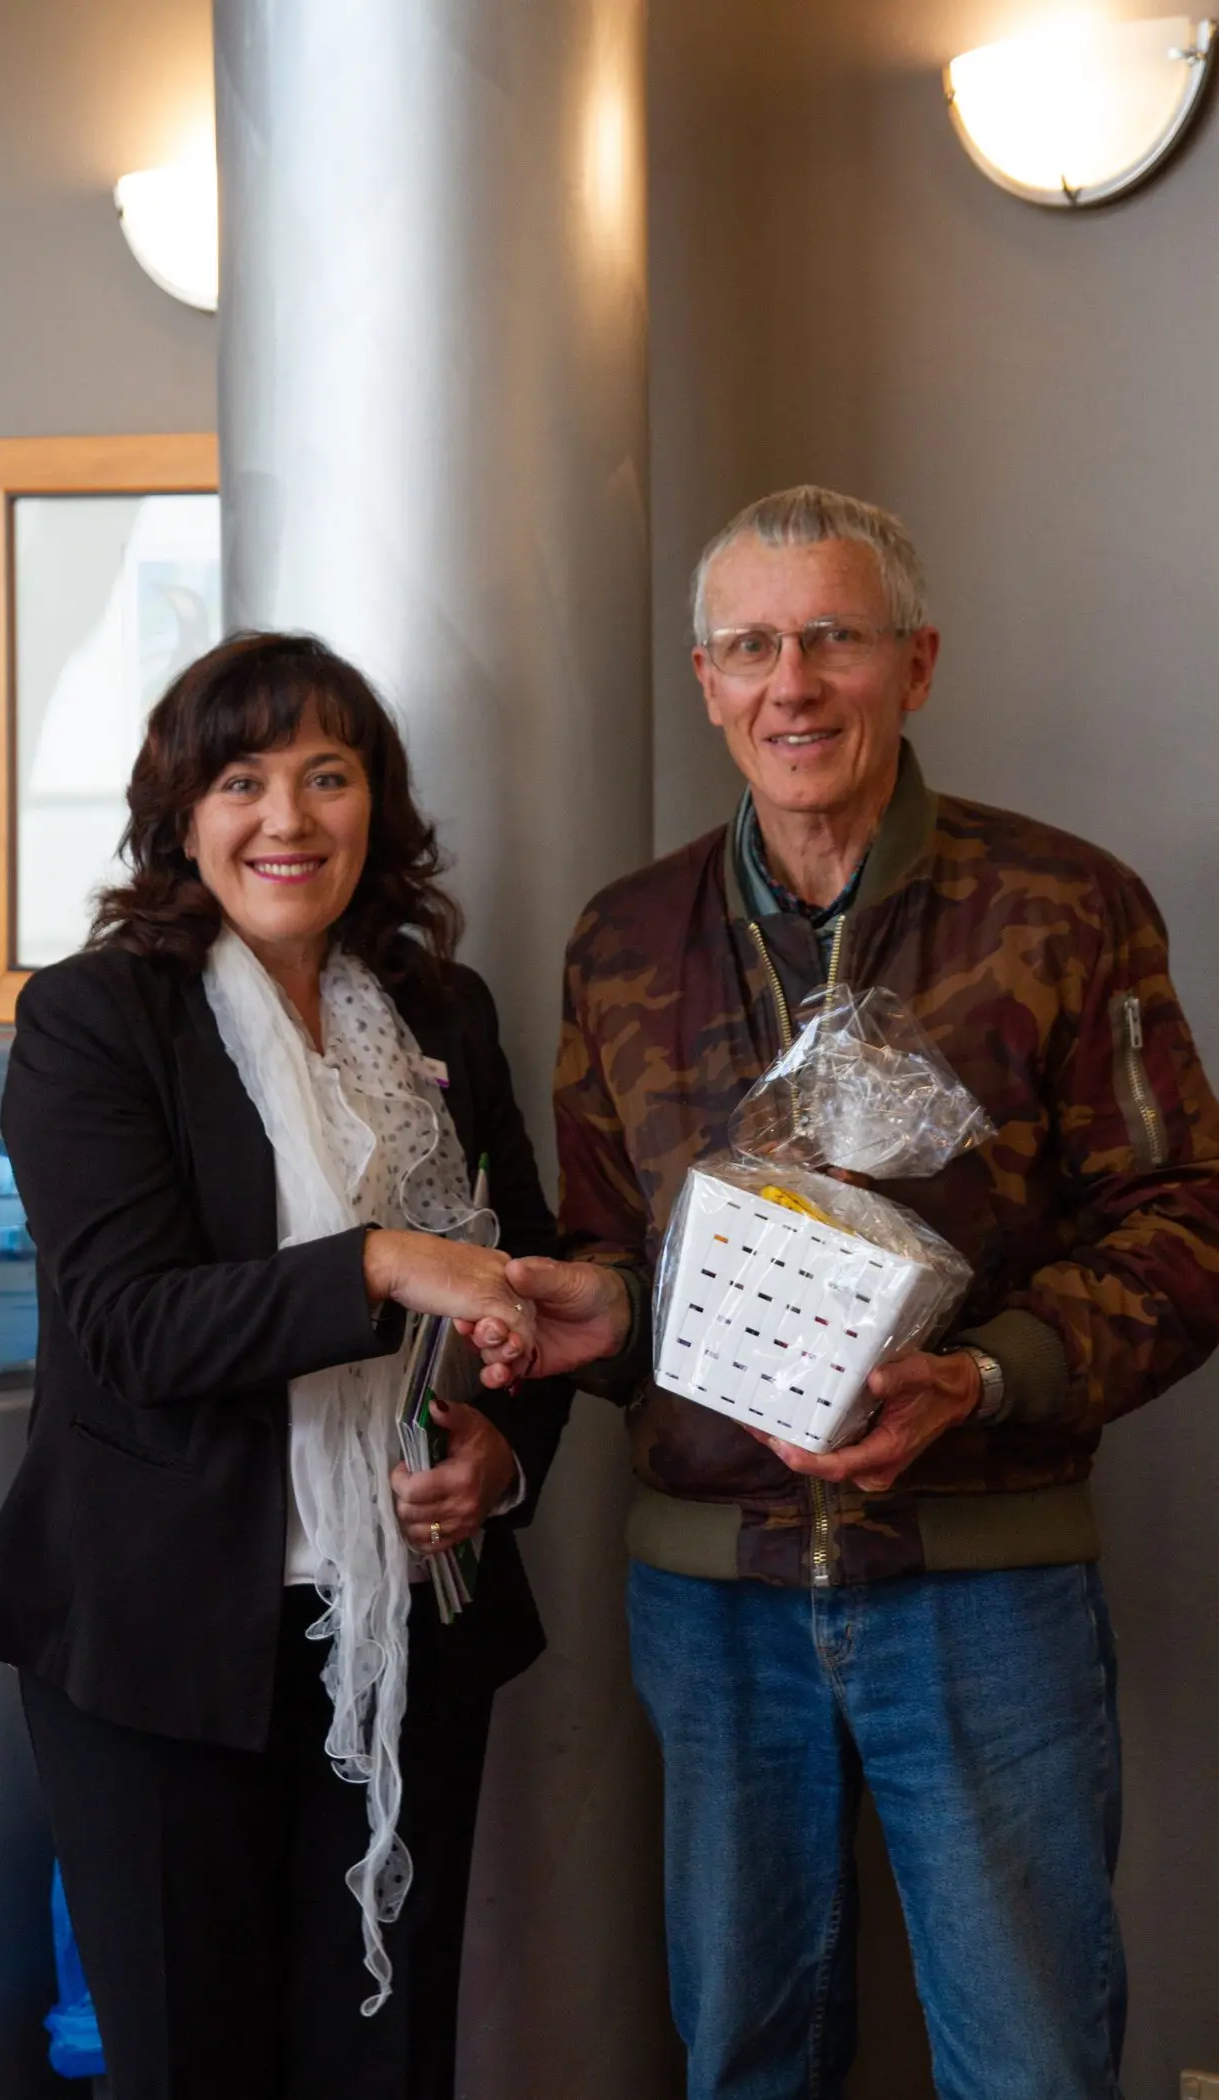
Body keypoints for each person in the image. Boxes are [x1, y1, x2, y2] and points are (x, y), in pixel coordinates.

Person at [475, 487, 1219, 2100]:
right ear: (705, 680)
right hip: (711, 1602)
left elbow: (1186, 1221)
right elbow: (616, 1249)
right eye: (751, 647)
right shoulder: (624, 939)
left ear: (916, 663)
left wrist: (988, 1375)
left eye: (833, 639)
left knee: (1031, 2064)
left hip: (986, 1584)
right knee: (746, 2058)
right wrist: (602, 1317)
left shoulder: (1065, 908)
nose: (792, 684)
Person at [0, 632, 571, 2100]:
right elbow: (133, 1327)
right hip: (159, 1643)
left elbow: (529, 1281)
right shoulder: (95, 1018)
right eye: (241, 781)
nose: (286, 818)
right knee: (193, 2065)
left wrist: (498, 1451)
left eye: (326, 776)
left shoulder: (442, 1011)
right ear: (181, 816)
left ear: (376, 806)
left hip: (410, 1627)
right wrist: (378, 1263)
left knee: (385, 2064)